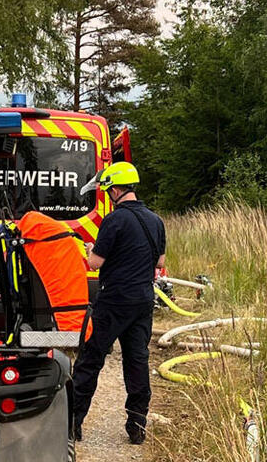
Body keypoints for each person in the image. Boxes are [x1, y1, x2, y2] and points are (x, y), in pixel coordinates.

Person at [72, 161, 166, 445]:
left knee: (91, 359)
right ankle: (137, 427)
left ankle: (72, 423)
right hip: (143, 300)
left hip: (114, 300)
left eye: (107, 189)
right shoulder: (156, 221)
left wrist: (89, 249)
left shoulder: (114, 220)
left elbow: (95, 263)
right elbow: (159, 264)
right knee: (137, 361)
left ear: (114, 189)